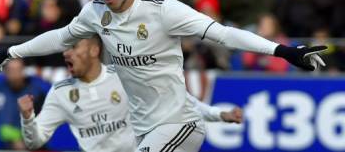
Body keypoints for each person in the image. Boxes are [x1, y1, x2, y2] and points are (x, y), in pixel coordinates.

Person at [0, 0, 327, 152]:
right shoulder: (95, 12)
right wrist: (9, 52)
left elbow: (222, 34)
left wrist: (283, 50)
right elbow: (61, 36)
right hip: (145, 130)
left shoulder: (163, 10)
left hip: (180, 123)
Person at [17, 36, 243, 152]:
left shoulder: (124, 77)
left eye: (74, 47)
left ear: (95, 50)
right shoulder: (60, 93)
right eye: (65, 48)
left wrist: (218, 114)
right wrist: (28, 118)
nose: (67, 53)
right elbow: (34, 140)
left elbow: (176, 100)